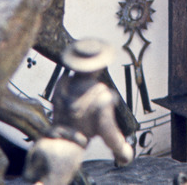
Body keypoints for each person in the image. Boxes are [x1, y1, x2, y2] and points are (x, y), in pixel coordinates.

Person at [24, 38, 134, 185]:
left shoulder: (62, 84)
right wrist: (122, 150)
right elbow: (108, 131)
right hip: (67, 153)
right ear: (99, 67)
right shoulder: (101, 96)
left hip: (44, 142)